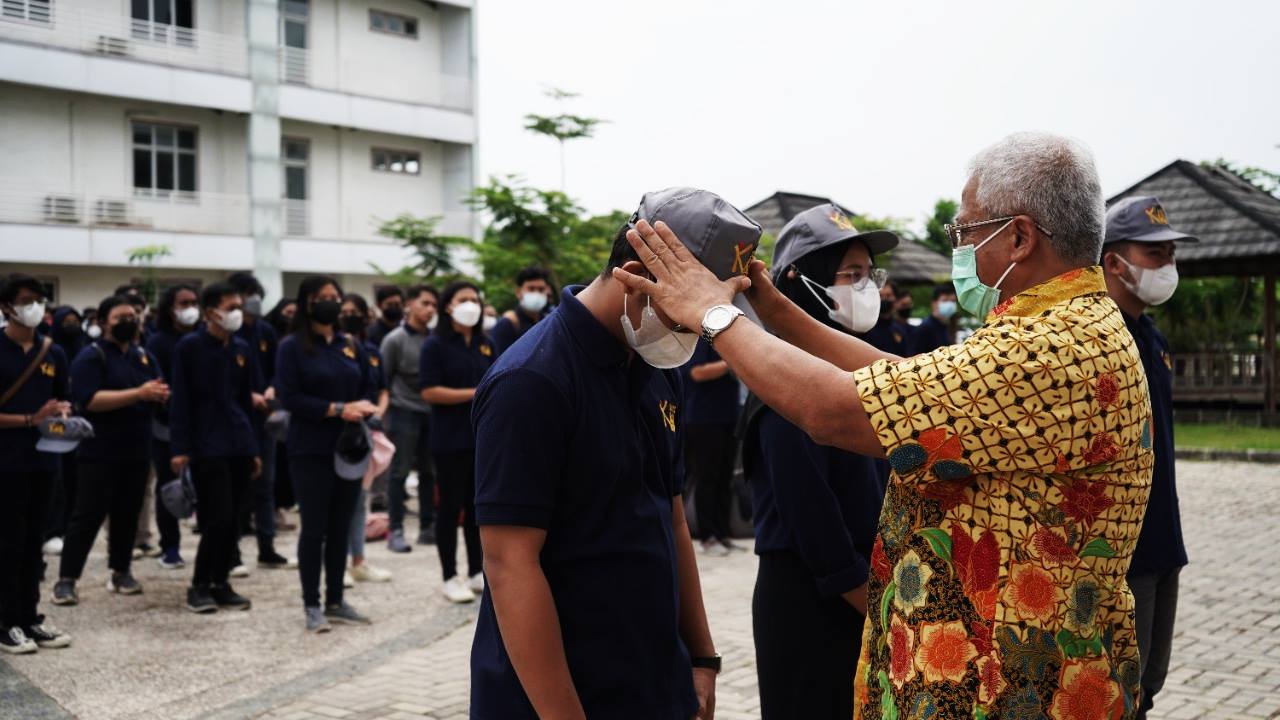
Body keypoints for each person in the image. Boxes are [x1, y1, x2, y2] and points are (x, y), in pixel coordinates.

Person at [614, 133, 1153, 719]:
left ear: (1020, 236)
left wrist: (713, 313)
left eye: (966, 232)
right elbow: (909, 382)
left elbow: (834, 410)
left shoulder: (1048, 349)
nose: (962, 250)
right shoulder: (1061, 327)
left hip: (1009, 689)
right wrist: (773, 311)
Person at [470, 187, 751, 719]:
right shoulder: (532, 381)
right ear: (632, 275)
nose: (695, 330)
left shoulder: (653, 363)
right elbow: (510, 562)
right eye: (688, 311)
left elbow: (671, 518)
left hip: (651, 681)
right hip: (560, 694)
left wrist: (702, 659)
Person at [739, 205, 895, 718]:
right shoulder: (785, 377)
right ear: (797, 282)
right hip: (813, 602)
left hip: (868, 593)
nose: (865, 287)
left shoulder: (857, 361)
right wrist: (880, 609)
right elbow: (814, 523)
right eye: (852, 275)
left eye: (869, 275)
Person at [1101, 196, 1196, 720]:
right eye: (1155, 254)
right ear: (1114, 262)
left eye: (1171, 254)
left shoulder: (1150, 335)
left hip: (1164, 537)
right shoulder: (1098, 339)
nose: (1168, 265)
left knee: (1150, 684)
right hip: (1122, 552)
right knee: (1119, 692)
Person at [276, 275, 377, 633]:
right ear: (307, 303)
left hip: (349, 449)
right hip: (311, 449)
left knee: (340, 527)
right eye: (324, 297)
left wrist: (362, 406)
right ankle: (312, 604)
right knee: (314, 528)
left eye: (336, 296)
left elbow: (368, 384)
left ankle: (336, 599)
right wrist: (337, 408)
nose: (332, 303)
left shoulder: (350, 344)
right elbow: (289, 398)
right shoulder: (292, 347)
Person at [55, 294, 168, 605]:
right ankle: (67, 579)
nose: (129, 322)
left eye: (133, 316)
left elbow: (157, 388)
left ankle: (121, 570)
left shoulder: (143, 355)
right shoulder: (91, 357)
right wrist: (139, 393)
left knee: (127, 514)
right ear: (104, 322)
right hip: (99, 450)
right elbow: (89, 400)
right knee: (87, 515)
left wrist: (158, 395)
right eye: (121, 318)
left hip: (137, 448)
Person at [168, 282, 261, 613]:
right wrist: (179, 448)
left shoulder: (241, 348)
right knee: (216, 517)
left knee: (235, 518)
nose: (237, 312)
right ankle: (200, 585)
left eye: (239, 306)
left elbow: (246, 402)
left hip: (238, 442)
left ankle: (221, 582)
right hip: (207, 445)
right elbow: (181, 400)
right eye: (231, 306)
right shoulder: (189, 348)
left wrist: (254, 449)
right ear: (211, 313)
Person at [0, 273, 73, 653]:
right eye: (26, 300)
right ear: (6, 307)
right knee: (8, 542)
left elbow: (63, 400)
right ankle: (7, 621)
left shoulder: (53, 352)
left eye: (39, 299)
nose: (35, 307)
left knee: (34, 544)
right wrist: (30, 419)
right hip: (6, 462)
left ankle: (30, 617)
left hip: (44, 461)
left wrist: (62, 414)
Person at [420, 280, 492, 603]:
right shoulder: (434, 345)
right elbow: (429, 391)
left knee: (478, 509)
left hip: (481, 437)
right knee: (449, 509)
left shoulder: (485, 344)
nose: (471, 305)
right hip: (449, 438)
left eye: (475, 299)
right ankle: (449, 575)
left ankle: (477, 570)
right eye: (463, 299)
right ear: (448, 305)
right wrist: (474, 394)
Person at [227, 271, 292, 572]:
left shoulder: (265, 332)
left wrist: (271, 389)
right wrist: (248, 395)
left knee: (266, 483)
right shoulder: (228, 334)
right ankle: (233, 551)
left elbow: (278, 369)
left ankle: (267, 548)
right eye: (245, 294)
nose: (252, 300)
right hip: (237, 419)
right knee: (237, 485)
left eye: (255, 294)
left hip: (266, 418)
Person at [379, 284, 440, 552]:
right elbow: (384, 378)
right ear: (410, 304)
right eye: (425, 303)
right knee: (399, 472)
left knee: (429, 472)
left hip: (432, 412)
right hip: (404, 412)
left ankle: (428, 526)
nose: (430, 310)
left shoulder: (436, 339)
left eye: (434, 305)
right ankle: (396, 529)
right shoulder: (395, 339)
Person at [337, 294, 393, 584]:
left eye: (354, 311)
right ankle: (335, 564)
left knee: (360, 499)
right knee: (336, 502)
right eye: (343, 311)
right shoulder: (332, 350)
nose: (348, 315)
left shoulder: (371, 351)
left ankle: (358, 560)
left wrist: (377, 415)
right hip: (341, 430)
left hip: (367, 430)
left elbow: (382, 389)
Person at [145, 283, 201, 570]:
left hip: (204, 425)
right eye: (183, 302)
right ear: (170, 307)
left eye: (194, 301)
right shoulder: (158, 343)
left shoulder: (205, 339)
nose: (190, 308)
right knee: (169, 485)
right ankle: (170, 546)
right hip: (166, 424)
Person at [680, 341, 741, 557]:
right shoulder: (701, 336)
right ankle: (708, 536)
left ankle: (723, 532)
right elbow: (696, 372)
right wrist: (730, 364)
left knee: (725, 477)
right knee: (707, 477)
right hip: (703, 418)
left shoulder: (728, 336)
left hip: (729, 416)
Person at [42, 306, 88, 553]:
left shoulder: (85, 350)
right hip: (49, 425)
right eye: (66, 322)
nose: (71, 326)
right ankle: (52, 529)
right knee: (56, 479)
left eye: (75, 321)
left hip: (76, 424)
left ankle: (70, 527)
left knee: (74, 479)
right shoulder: (49, 351)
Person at [490, 266, 553, 355]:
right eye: (531, 289)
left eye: (541, 289)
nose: (537, 293)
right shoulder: (507, 325)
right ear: (518, 292)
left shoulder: (549, 321)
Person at [908, 283, 958, 355]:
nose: (950, 304)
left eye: (953, 301)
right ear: (934, 303)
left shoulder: (949, 326)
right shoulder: (925, 328)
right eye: (945, 300)